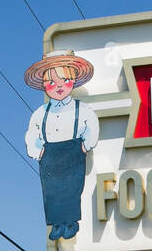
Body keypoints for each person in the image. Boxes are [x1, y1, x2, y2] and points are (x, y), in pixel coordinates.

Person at [23, 51, 98, 240]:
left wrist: (85, 146)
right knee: (51, 191)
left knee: (72, 189)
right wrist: (38, 151)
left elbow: (91, 127)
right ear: (44, 85)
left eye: (65, 80)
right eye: (52, 82)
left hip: (73, 152)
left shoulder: (81, 108)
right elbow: (33, 133)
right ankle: (56, 224)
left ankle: (71, 222)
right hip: (50, 155)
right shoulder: (41, 112)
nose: (58, 86)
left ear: (73, 81)